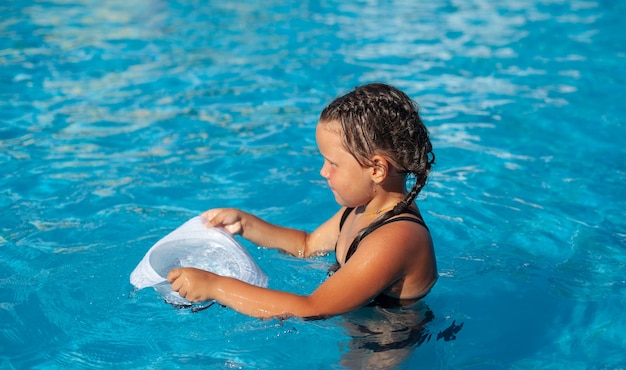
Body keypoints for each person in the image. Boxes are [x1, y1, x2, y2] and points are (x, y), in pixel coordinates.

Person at [167, 83, 437, 319]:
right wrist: (246, 224)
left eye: (333, 163)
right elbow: (306, 246)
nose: (323, 171)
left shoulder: (395, 237)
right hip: (360, 328)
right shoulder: (361, 209)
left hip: (387, 347)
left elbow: (313, 308)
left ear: (376, 169)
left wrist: (216, 287)